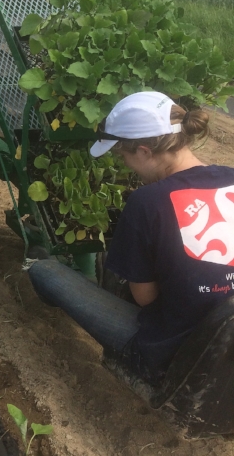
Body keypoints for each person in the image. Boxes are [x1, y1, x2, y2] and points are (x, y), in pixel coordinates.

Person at [28, 91, 234, 385]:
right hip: (228, 347)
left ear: (144, 151)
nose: (125, 165)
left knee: (43, 270)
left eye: (122, 156)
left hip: (171, 357)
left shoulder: (147, 202)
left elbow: (145, 298)